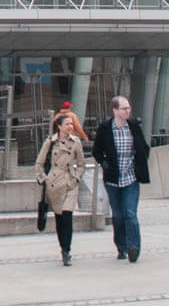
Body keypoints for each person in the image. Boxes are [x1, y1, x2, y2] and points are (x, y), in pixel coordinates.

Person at [91, 95, 150, 263]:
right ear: (115, 110)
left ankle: (134, 247)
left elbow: (144, 147)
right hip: (113, 179)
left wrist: (140, 163)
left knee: (130, 213)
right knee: (118, 215)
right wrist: (104, 163)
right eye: (124, 109)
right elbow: (96, 152)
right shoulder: (105, 128)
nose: (128, 111)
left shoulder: (133, 127)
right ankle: (121, 246)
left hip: (131, 177)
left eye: (129, 108)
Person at [35, 111, 85, 266]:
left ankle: (67, 250)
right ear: (59, 126)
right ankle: (63, 248)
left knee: (67, 216)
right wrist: (43, 178)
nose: (70, 126)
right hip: (54, 183)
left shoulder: (75, 142)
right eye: (67, 124)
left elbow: (82, 163)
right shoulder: (50, 142)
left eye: (71, 124)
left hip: (70, 182)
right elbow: (39, 163)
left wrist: (77, 176)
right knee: (59, 218)